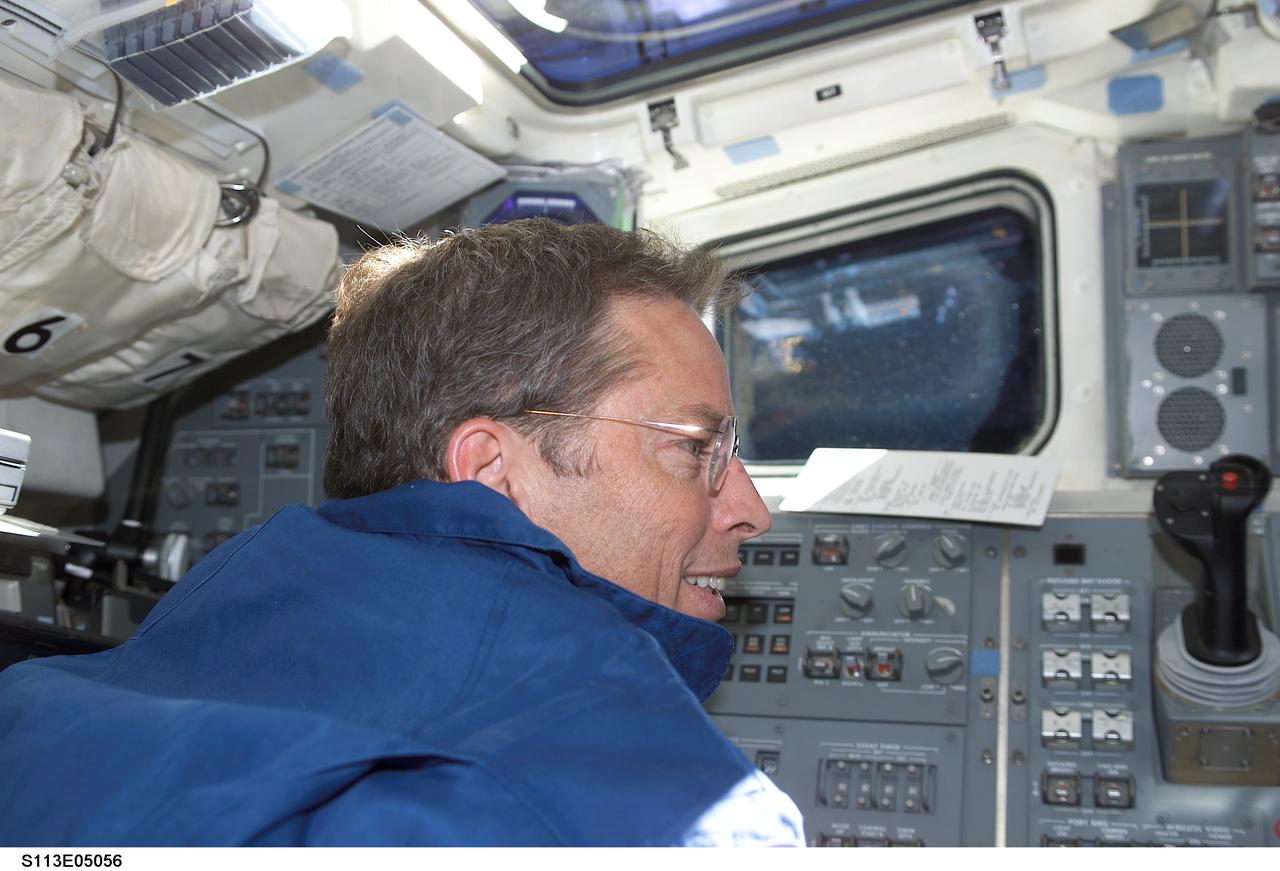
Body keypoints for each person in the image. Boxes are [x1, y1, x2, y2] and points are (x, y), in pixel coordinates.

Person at [0, 218, 805, 846]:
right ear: (492, 468)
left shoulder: (190, 615)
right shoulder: (681, 809)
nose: (750, 509)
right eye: (697, 448)